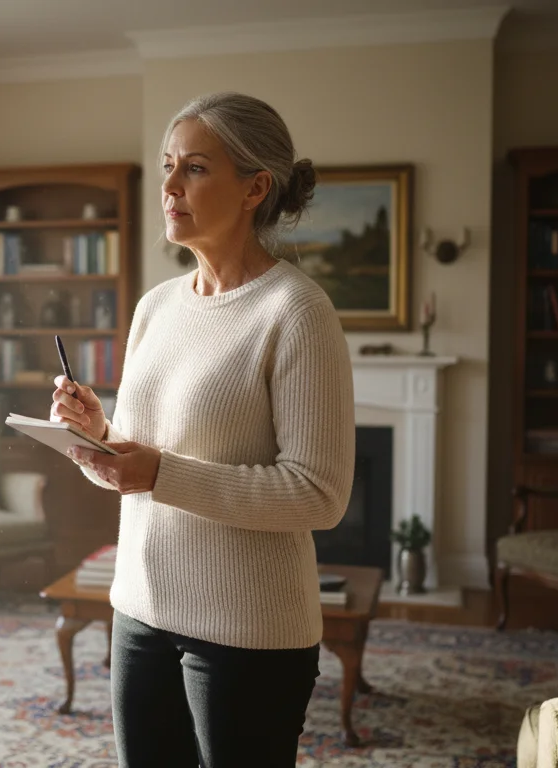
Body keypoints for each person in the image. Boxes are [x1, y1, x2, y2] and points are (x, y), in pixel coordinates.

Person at [51, 91, 355, 767]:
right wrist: (94, 431)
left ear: (255, 188)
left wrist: (160, 471)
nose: (168, 186)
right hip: (137, 609)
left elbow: (319, 494)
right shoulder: (155, 307)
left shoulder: (297, 312)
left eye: (193, 168)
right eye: (167, 166)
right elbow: (138, 459)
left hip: (248, 630)